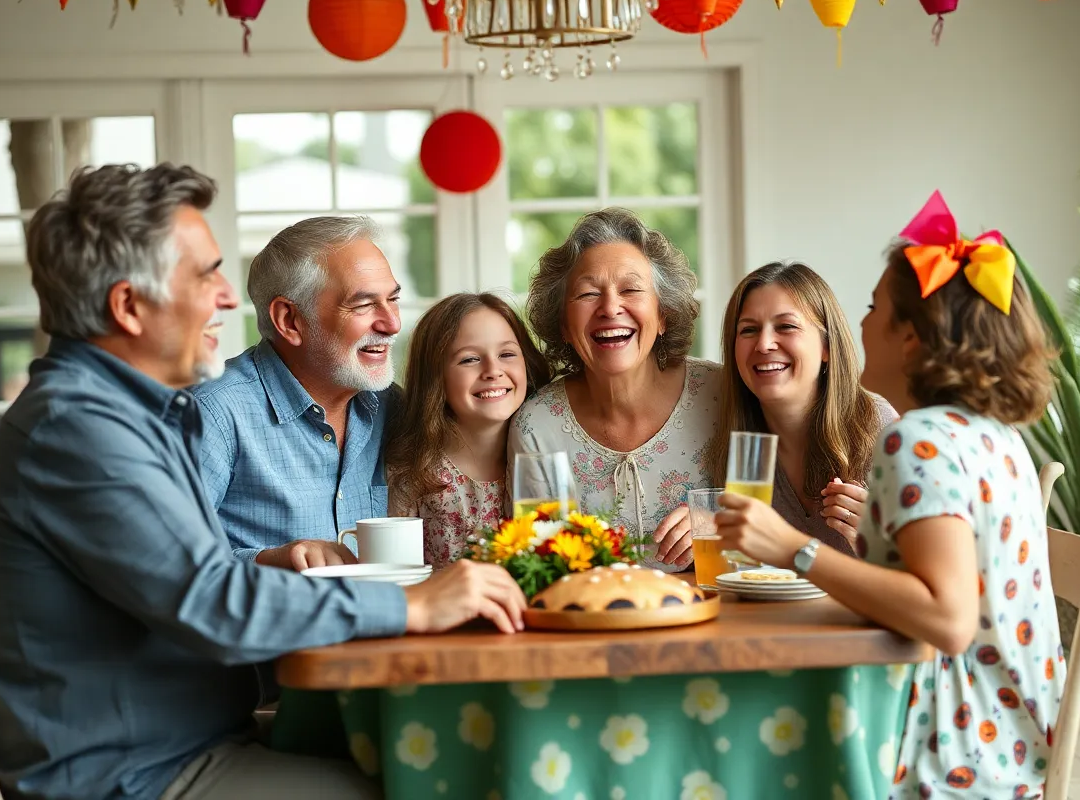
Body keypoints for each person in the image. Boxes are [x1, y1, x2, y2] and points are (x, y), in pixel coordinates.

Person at [0, 163, 527, 800]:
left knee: (444, 764)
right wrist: (412, 604)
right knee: (439, 786)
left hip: (189, 742)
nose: (230, 297)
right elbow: (212, 600)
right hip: (132, 776)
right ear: (128, 306)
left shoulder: (123, 413)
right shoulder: (80, 431)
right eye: (206, 274)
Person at [715, 191, 1064, 797]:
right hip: (1016, 745)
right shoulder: (994, 434)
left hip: (946, 755)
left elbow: (947, 620)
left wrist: (794, 548)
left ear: (909, 336)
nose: (861, 323)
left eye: (875, 307)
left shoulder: (915, 440)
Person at [508, 208, 721, 571]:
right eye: (588, 294)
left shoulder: (721, 393)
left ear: (663, 313)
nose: (610, 307)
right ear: (562, 323)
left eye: (631, 289)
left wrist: (726, 519)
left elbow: (776, 507)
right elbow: (540, 566)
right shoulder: (536, 426)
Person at [193, 216, 401, 569]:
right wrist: (268, 561)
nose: (392, 323)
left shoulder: (394, 406)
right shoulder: (212, 413)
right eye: (364, 305)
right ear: (289, 320)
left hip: (393, 621)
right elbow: (167, 565)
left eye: (393, 299)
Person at [707, 262, 898, 554]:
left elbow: (929, 577)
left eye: (786, 326)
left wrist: (883, 545)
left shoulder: (880, 427)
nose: (764, 344)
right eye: (748, 330)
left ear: (827, 347)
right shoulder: (731, 438)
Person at [386, 293, 551, 567]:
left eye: (507, 354)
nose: (493, 370)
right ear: (435, 377)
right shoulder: (411, 477)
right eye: (469, 359)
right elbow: (399, 586)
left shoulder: (549, 458)